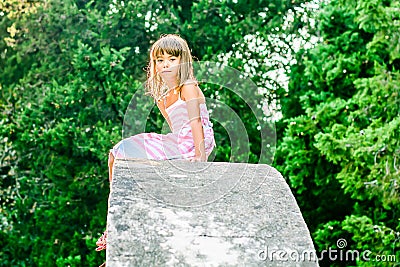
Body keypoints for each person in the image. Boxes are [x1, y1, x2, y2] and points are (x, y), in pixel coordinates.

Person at [95, 34, 216, 254]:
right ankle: (113, 217)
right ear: (154, 65)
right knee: (117, 153)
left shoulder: (188, 87)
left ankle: (114, 223)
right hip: (178, 141)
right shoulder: (163, 97)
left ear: (183, 61)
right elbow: (174, 129)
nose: (166, 64)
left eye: (172, 59)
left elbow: (195, 121)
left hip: (195, 140)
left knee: (126, 151)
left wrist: (200, 159)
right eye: (160, 60)